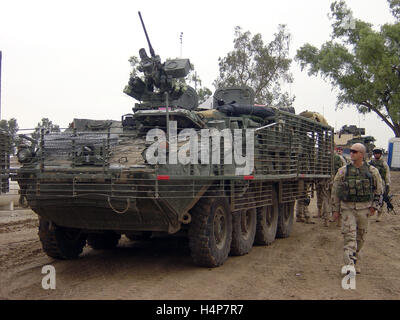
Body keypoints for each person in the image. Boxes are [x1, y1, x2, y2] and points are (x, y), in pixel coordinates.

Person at [331, 143, 383, 274]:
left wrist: (374, 207)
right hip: (347, 208)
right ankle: (349, 266)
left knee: (360, 238)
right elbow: (335, 191)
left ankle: (355, 261)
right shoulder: (343, 171)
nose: (352, 153)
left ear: (362, 154)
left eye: (355, 151)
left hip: (364, 209)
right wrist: (335, 210)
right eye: (351, 151)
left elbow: (379, 191)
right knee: (349, 238)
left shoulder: (372, 171)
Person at [369, 148, 391, 222]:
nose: (376, 155)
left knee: (380, 199)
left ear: (380, 154)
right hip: (372, 183)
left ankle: (379, 213)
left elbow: (387, 174)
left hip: (381, 183)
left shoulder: (383, 163)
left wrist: (387, 184)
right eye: (375, 153)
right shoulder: (371, 162)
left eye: (378, 153)